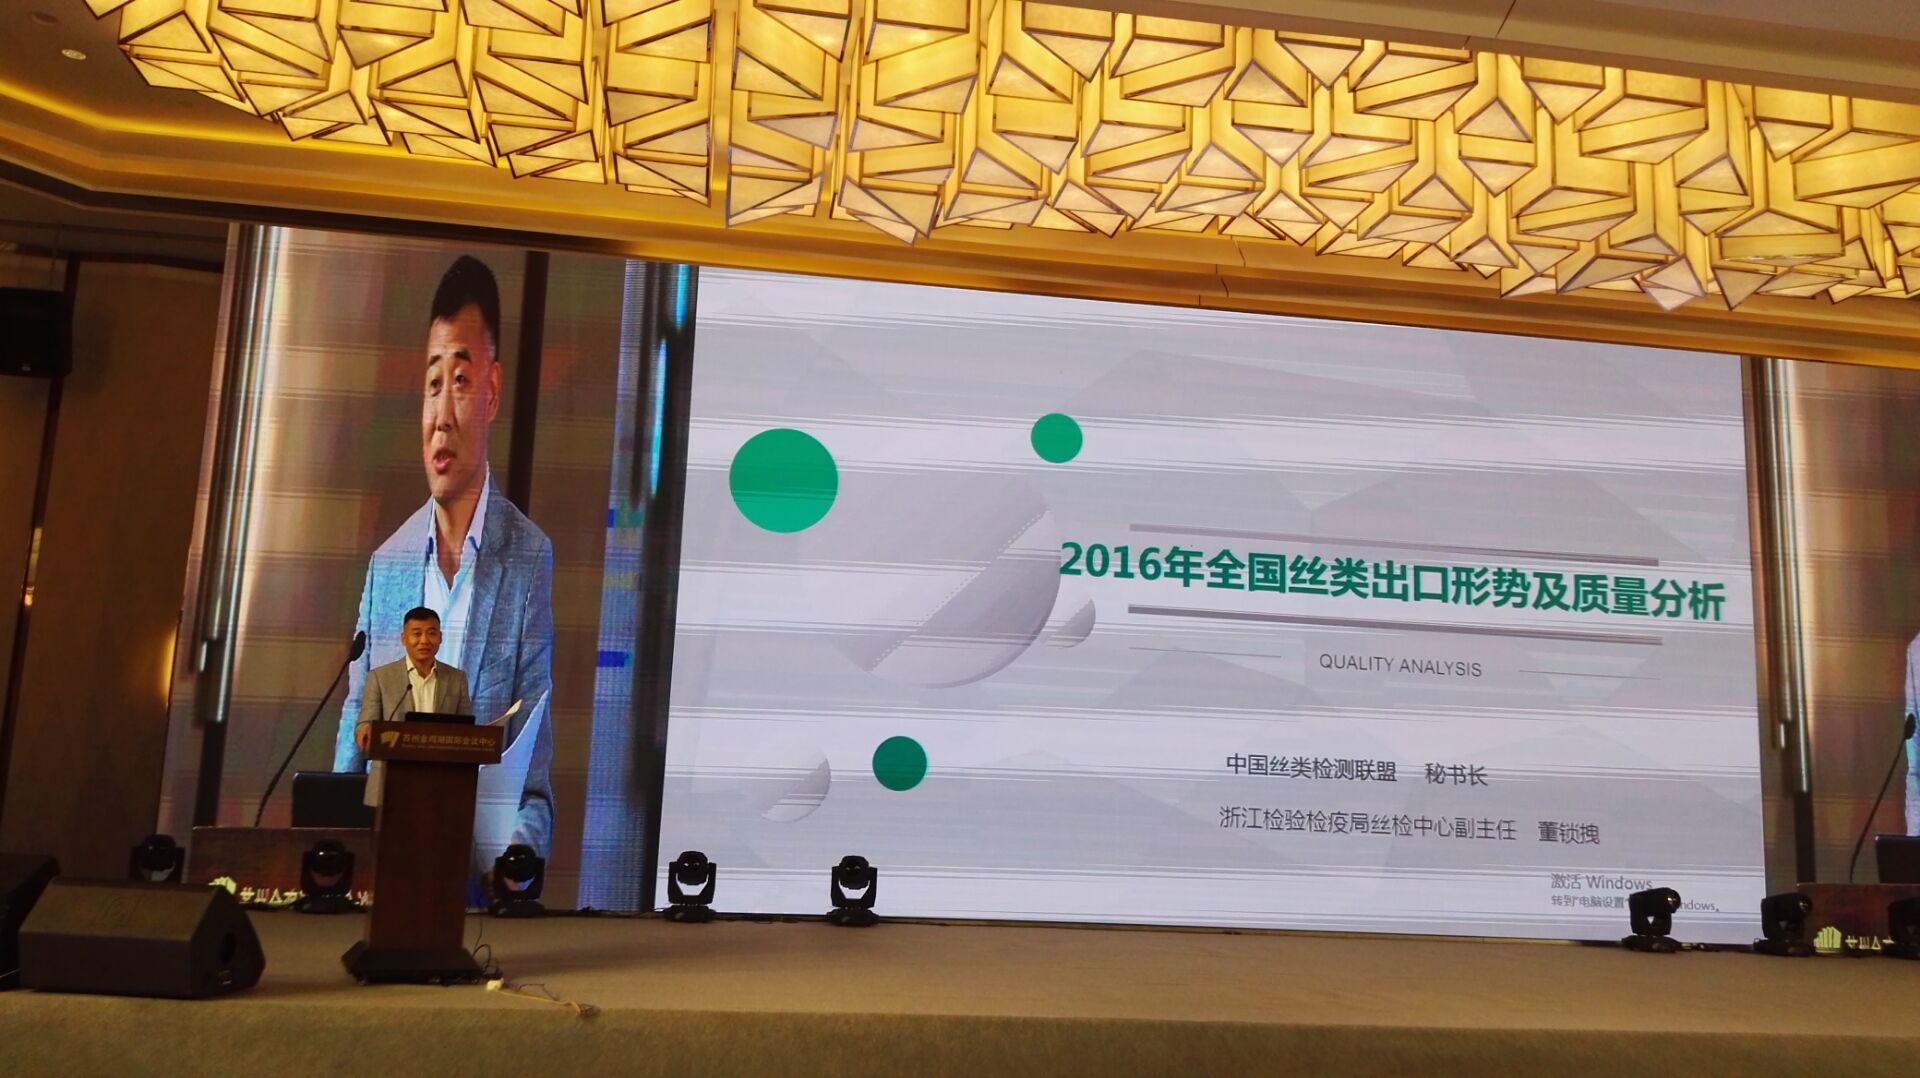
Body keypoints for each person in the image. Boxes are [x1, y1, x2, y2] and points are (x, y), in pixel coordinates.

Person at [333, 254, 555, 870]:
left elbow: (532, 779)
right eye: (433, 385)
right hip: (382, 869)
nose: (442, 416)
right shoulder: (387, 565)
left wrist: (516, 859)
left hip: (474, 874)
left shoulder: (527, 558)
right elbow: (351, 755)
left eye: (460, 380)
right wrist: (332, 849)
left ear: (493, 391)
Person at [355, 606, 473, 755]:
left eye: (431, 633)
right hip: (391, 766)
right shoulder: (380, 677)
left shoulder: (457, 678)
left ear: (440, 637)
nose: (424, 641)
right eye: (417, 634)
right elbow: (365, 725)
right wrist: (366, 734)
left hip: (440, 765)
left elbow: (467, 728)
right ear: (404, 639)